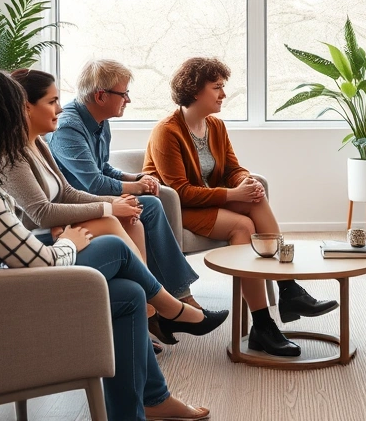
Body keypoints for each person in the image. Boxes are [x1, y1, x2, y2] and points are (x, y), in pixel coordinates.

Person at [0, 64, 216, 421]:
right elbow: (40, 261)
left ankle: (150, 398)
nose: (14, 120)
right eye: (8, 111)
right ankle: (170, 309)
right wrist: (70, 240)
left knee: (129, 295)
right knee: (116, 249)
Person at [4, 69, 227, 346]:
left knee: (134, 215)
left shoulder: (38, 142)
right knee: (121, 218)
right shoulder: (16, 152)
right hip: (40, 236)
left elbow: (67, 191)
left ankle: (155, 310)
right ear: (26, 107)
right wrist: (111, 207)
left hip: (63, 219)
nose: (59, 108)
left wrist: (121, 196)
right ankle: (166, 307)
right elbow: (43, 212)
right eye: (52, 101)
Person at [142, 57, 339, 358]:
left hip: (206, 199)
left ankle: (287, 292)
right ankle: (267, 318)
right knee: (243, 226)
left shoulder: (215, 126)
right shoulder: (167, 131)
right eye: (217, 87)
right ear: (195, 91)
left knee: (256, 198)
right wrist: (234, 193)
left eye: (223, 87)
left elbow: (232, 167)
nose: (223, 94)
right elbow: (179, 192)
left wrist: (247, 182)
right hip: (177, 210)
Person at [47, 59, 204, 320]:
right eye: (124, 94)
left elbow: (103, 167)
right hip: (75, 203)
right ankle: (173, 297)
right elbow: (92, 183)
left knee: (151, 203)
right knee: (150, 205)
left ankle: (164, 297)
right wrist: (136, 186)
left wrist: (135, 176)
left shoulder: (99, 121)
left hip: (91, 196)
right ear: (100, 96)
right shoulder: (68, 127)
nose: (128, 100)